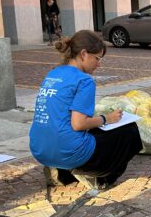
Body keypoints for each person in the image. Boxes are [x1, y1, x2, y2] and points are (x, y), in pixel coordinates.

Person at [29, 30, 143, 189]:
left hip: (39, 149)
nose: (99, 64)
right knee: (129, 131)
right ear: (83, 54)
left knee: (92, 132)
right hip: (68, 150)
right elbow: (78, 124)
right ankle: (102, 177)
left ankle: (61, 171)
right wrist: (106, 119)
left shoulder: (53, 74)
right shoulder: (84, 81)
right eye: (97, 58)